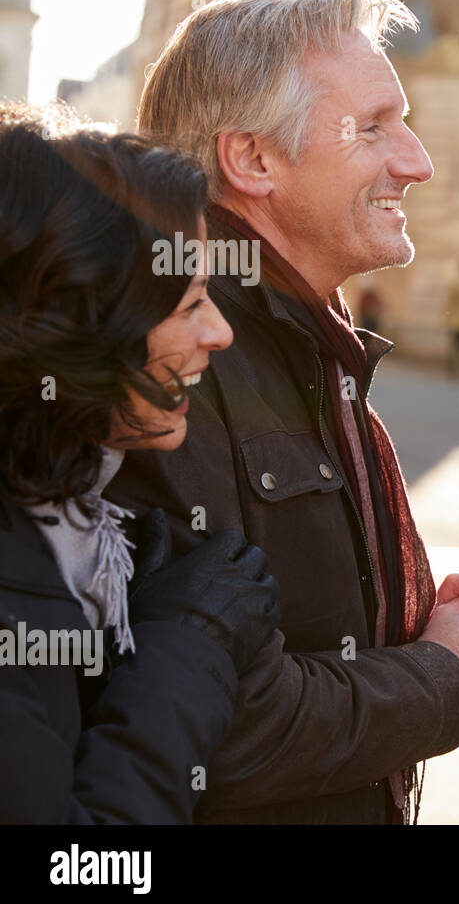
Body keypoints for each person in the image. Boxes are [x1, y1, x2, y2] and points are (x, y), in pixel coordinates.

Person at [105, 0, 459, 824]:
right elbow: (208, 729)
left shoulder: (310, 337)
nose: (417, 161)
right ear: (255, 161)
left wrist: (416, 625)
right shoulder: (178, 364)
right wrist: (448, 678)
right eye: (374, 126)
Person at [0, 103, 280, 822]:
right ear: (85, 321)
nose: (218, 331)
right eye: (187, 303)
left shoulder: (67, 519)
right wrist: (193, 641)